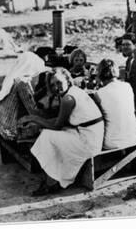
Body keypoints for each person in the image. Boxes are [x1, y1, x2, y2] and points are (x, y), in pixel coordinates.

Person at [23, 68, 104, 196]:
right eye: (53, 85)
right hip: (90, 134)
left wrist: (33, 118)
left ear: (67, 79)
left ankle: (52, 181)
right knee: (53, 134)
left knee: (46, 135)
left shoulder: (68, 99)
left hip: (89, 141)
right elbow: (63, 121)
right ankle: (55, 176)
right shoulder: (75, 90)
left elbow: (56, 126)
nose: (56, 87)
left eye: (59, 82)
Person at [94, 59, 136, 150]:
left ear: (100, 75)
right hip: (132, 136)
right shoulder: (127, 86)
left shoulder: (99, 93)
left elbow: (96, 119)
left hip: (112, 142)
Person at [119, 32, 136, 103]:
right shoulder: (129, 60)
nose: (124, 47)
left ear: (135, 46)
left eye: (128, 44)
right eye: (123, 45)